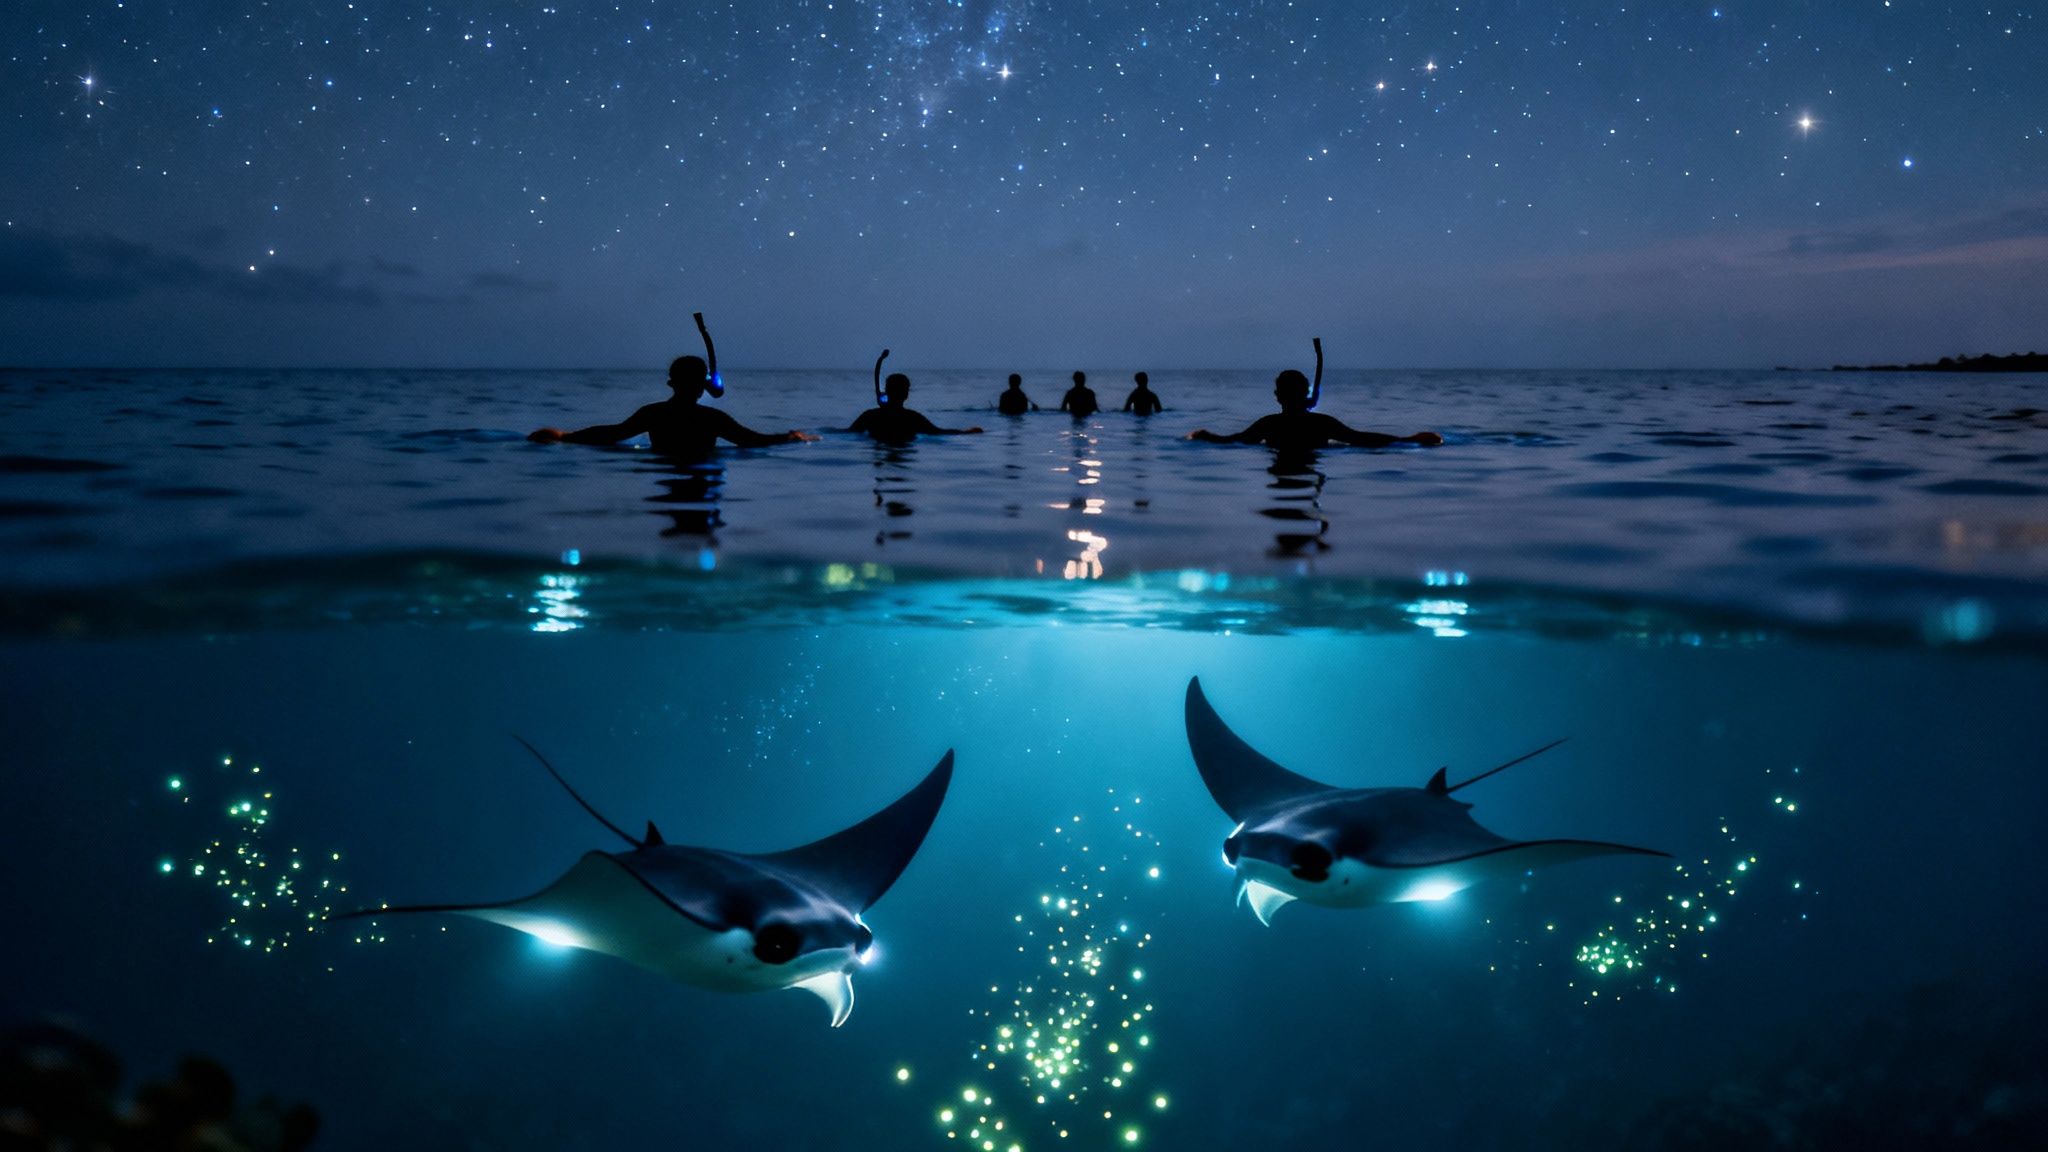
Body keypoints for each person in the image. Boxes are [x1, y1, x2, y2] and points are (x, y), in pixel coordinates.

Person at [529, 355, 813, 457]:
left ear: (671, 384)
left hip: (662, 466)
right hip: (702, 468)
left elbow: (612, 434)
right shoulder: (712, 418)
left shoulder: (654, 414)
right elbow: (751, 441)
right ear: (704, 387)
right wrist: (791, 438)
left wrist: (565, 437)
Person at [1190, 370, 1443, 451]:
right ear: (1306, 395)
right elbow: (1362, 440)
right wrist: (1409, 440)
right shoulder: (1322, 423)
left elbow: (1233, 441)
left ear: (1277, 397)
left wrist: (1205, 436)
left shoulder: (1269, 424)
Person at [849, 373, 984, 444]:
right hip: (904, 449)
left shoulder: (870, 416)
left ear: (887, 391)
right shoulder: (913, 418)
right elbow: (937, 432)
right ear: (906, 394)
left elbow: (849, 433)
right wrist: (966, 433)